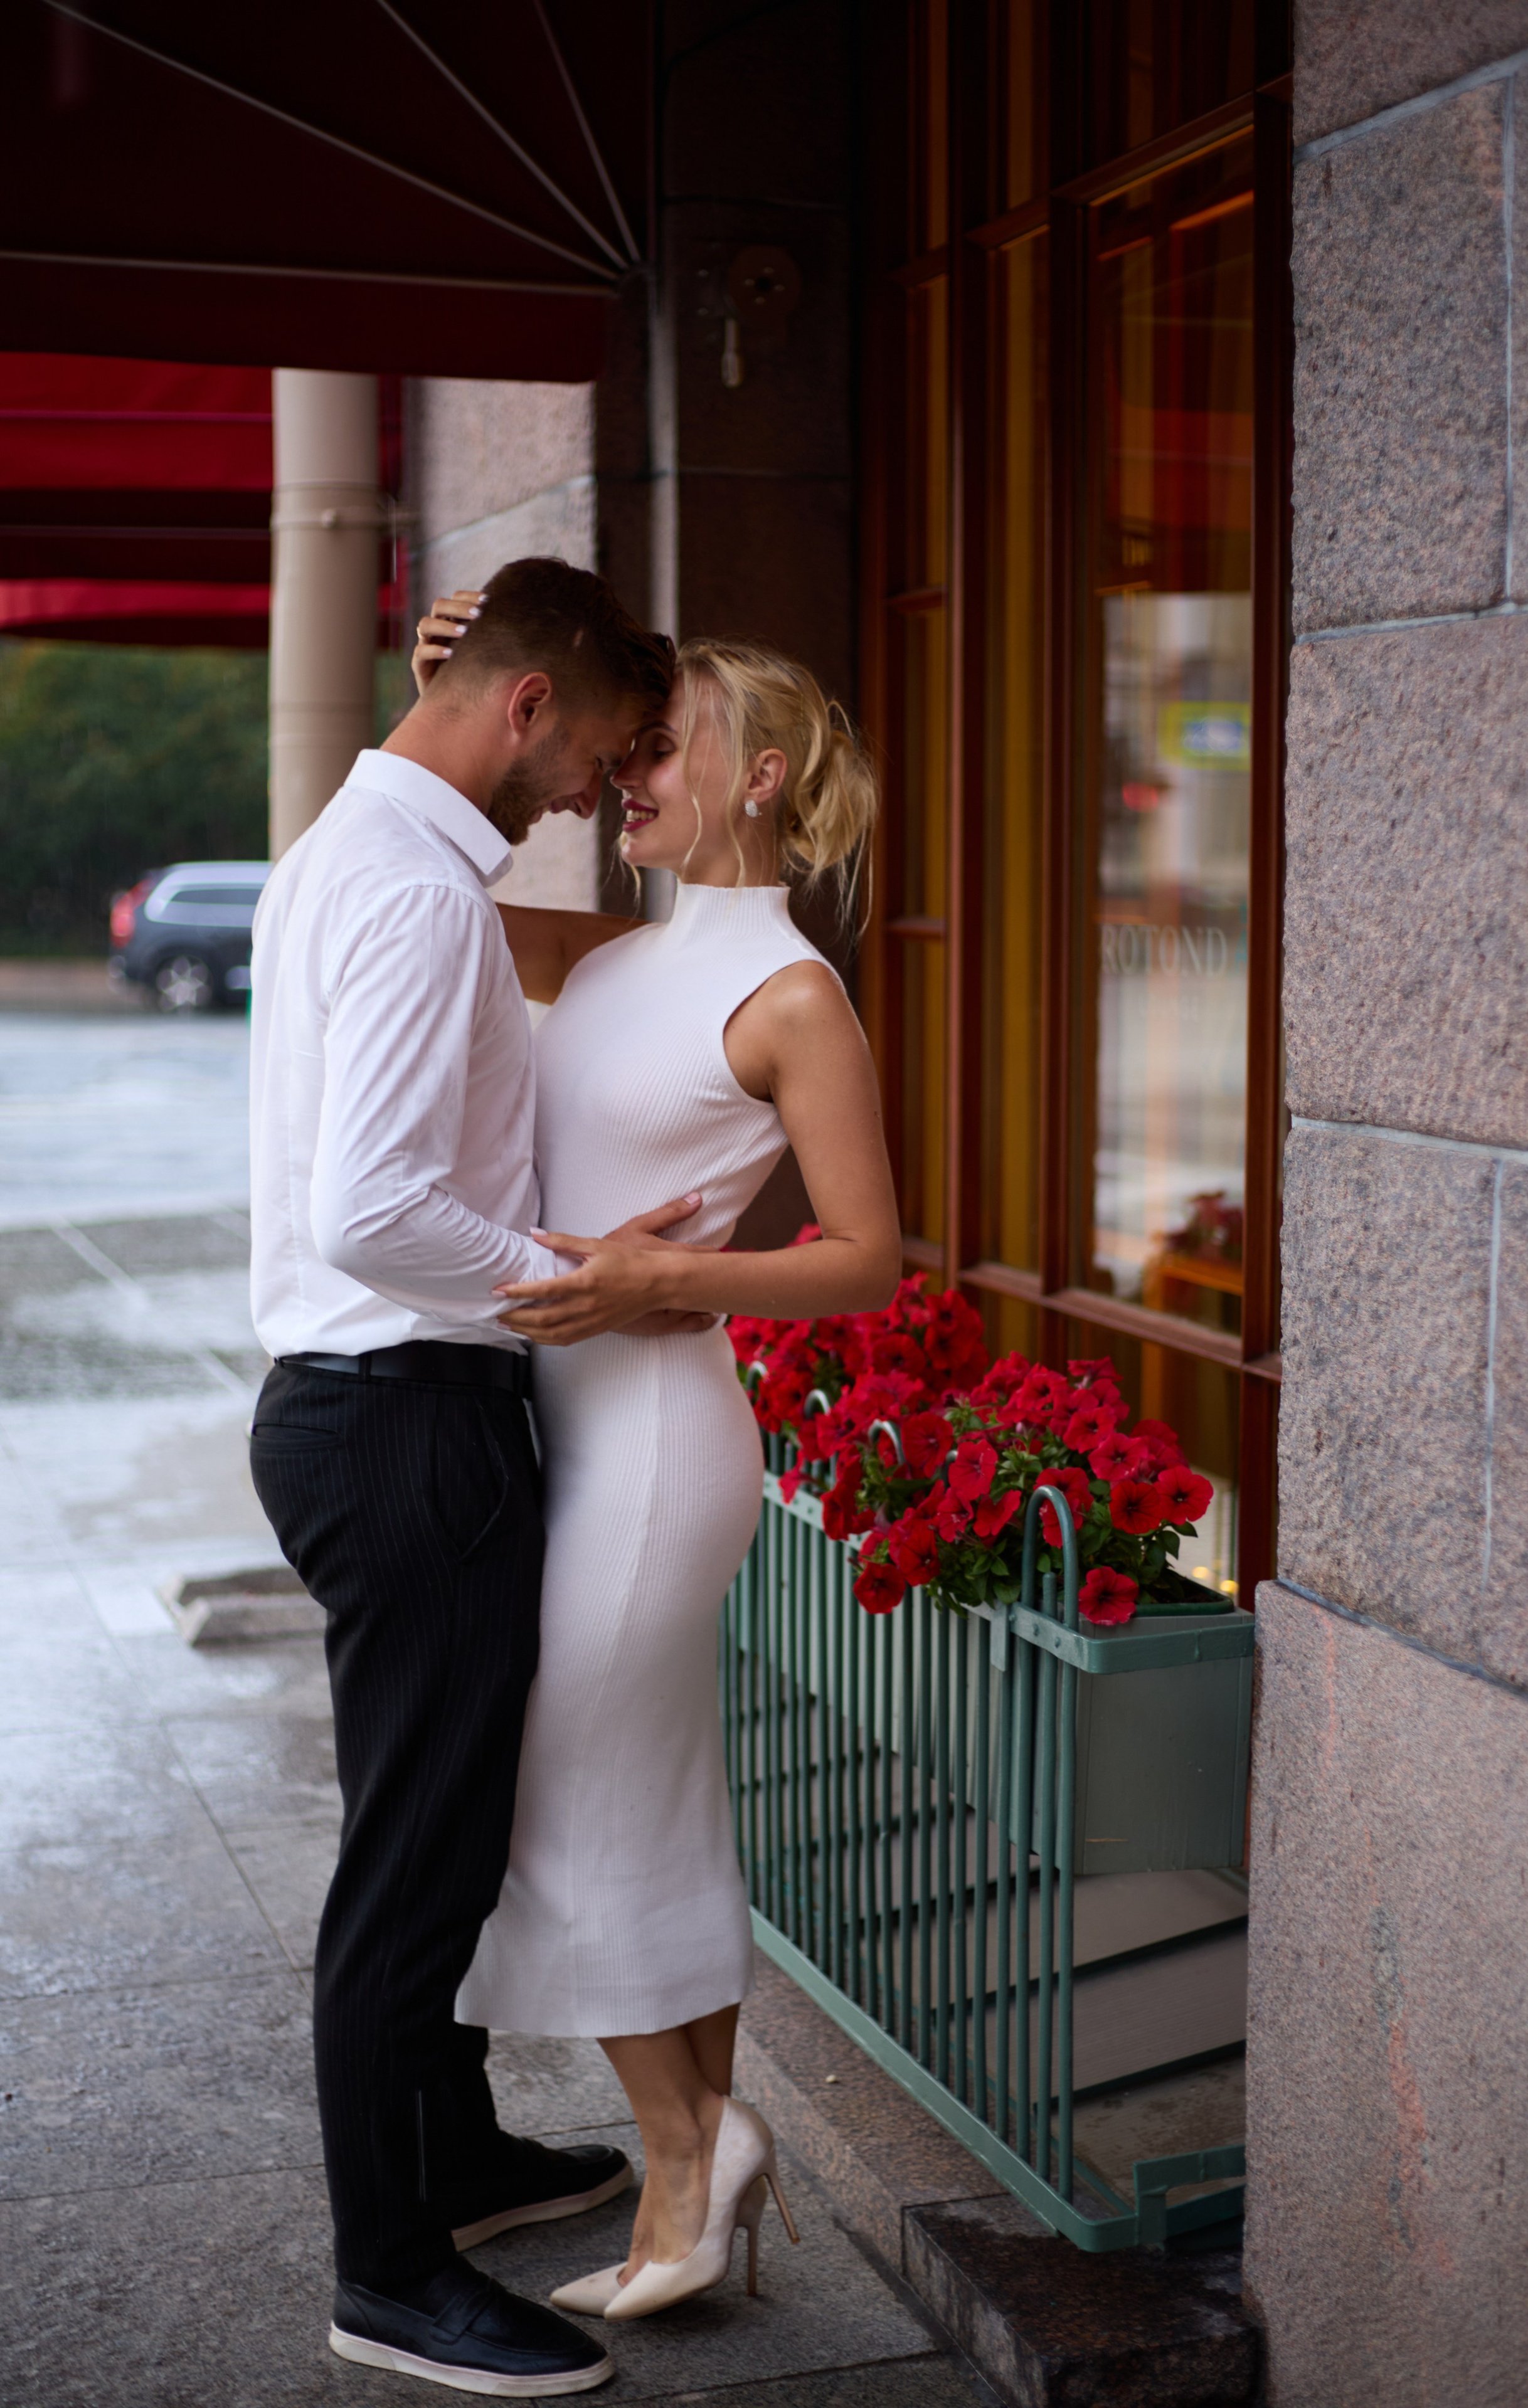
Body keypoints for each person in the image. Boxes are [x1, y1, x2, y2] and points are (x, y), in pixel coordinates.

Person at [248, 557, 716, 2397]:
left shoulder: (361, 855)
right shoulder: (416, 894)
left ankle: (451, 2158)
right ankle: (387, 2270)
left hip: (372, 1408)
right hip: (400, 1416)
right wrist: (577, 1280)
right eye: (598, 745)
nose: (599, 786)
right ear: (529, 707)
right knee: (414, 1864)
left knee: (432, 1816)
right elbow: (368, 1207)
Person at [413, 596, 901, 2324]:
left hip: (658, 1438)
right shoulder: (610, 954)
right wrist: (454, 693)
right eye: (624, 743)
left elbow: (867, 1258)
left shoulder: (792, 996)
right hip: (562, 1423)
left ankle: (688, 2158)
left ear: (757, 778)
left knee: (569, 1796)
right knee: (654, 1810)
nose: (627, 768)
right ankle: (704, 2153)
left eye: (662, 742)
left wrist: (658, 1279)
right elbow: (424, 876)